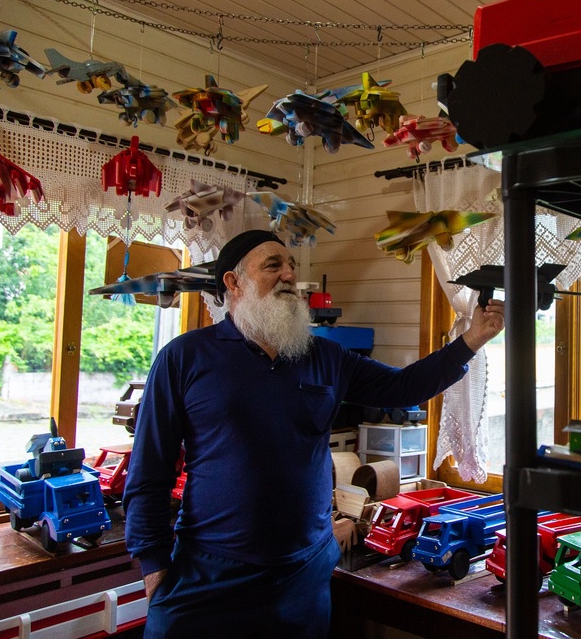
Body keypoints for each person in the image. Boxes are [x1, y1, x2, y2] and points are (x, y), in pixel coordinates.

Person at [123, 229, 505, 638]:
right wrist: (155, 571)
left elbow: (403, 388)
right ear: (233, 283)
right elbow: (148, 474)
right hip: (209, 572)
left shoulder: (325, 356)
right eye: (273, 265)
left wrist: (472, 340)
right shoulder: (183, 358)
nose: (290, 274)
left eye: (291, 266)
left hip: (302, 577)